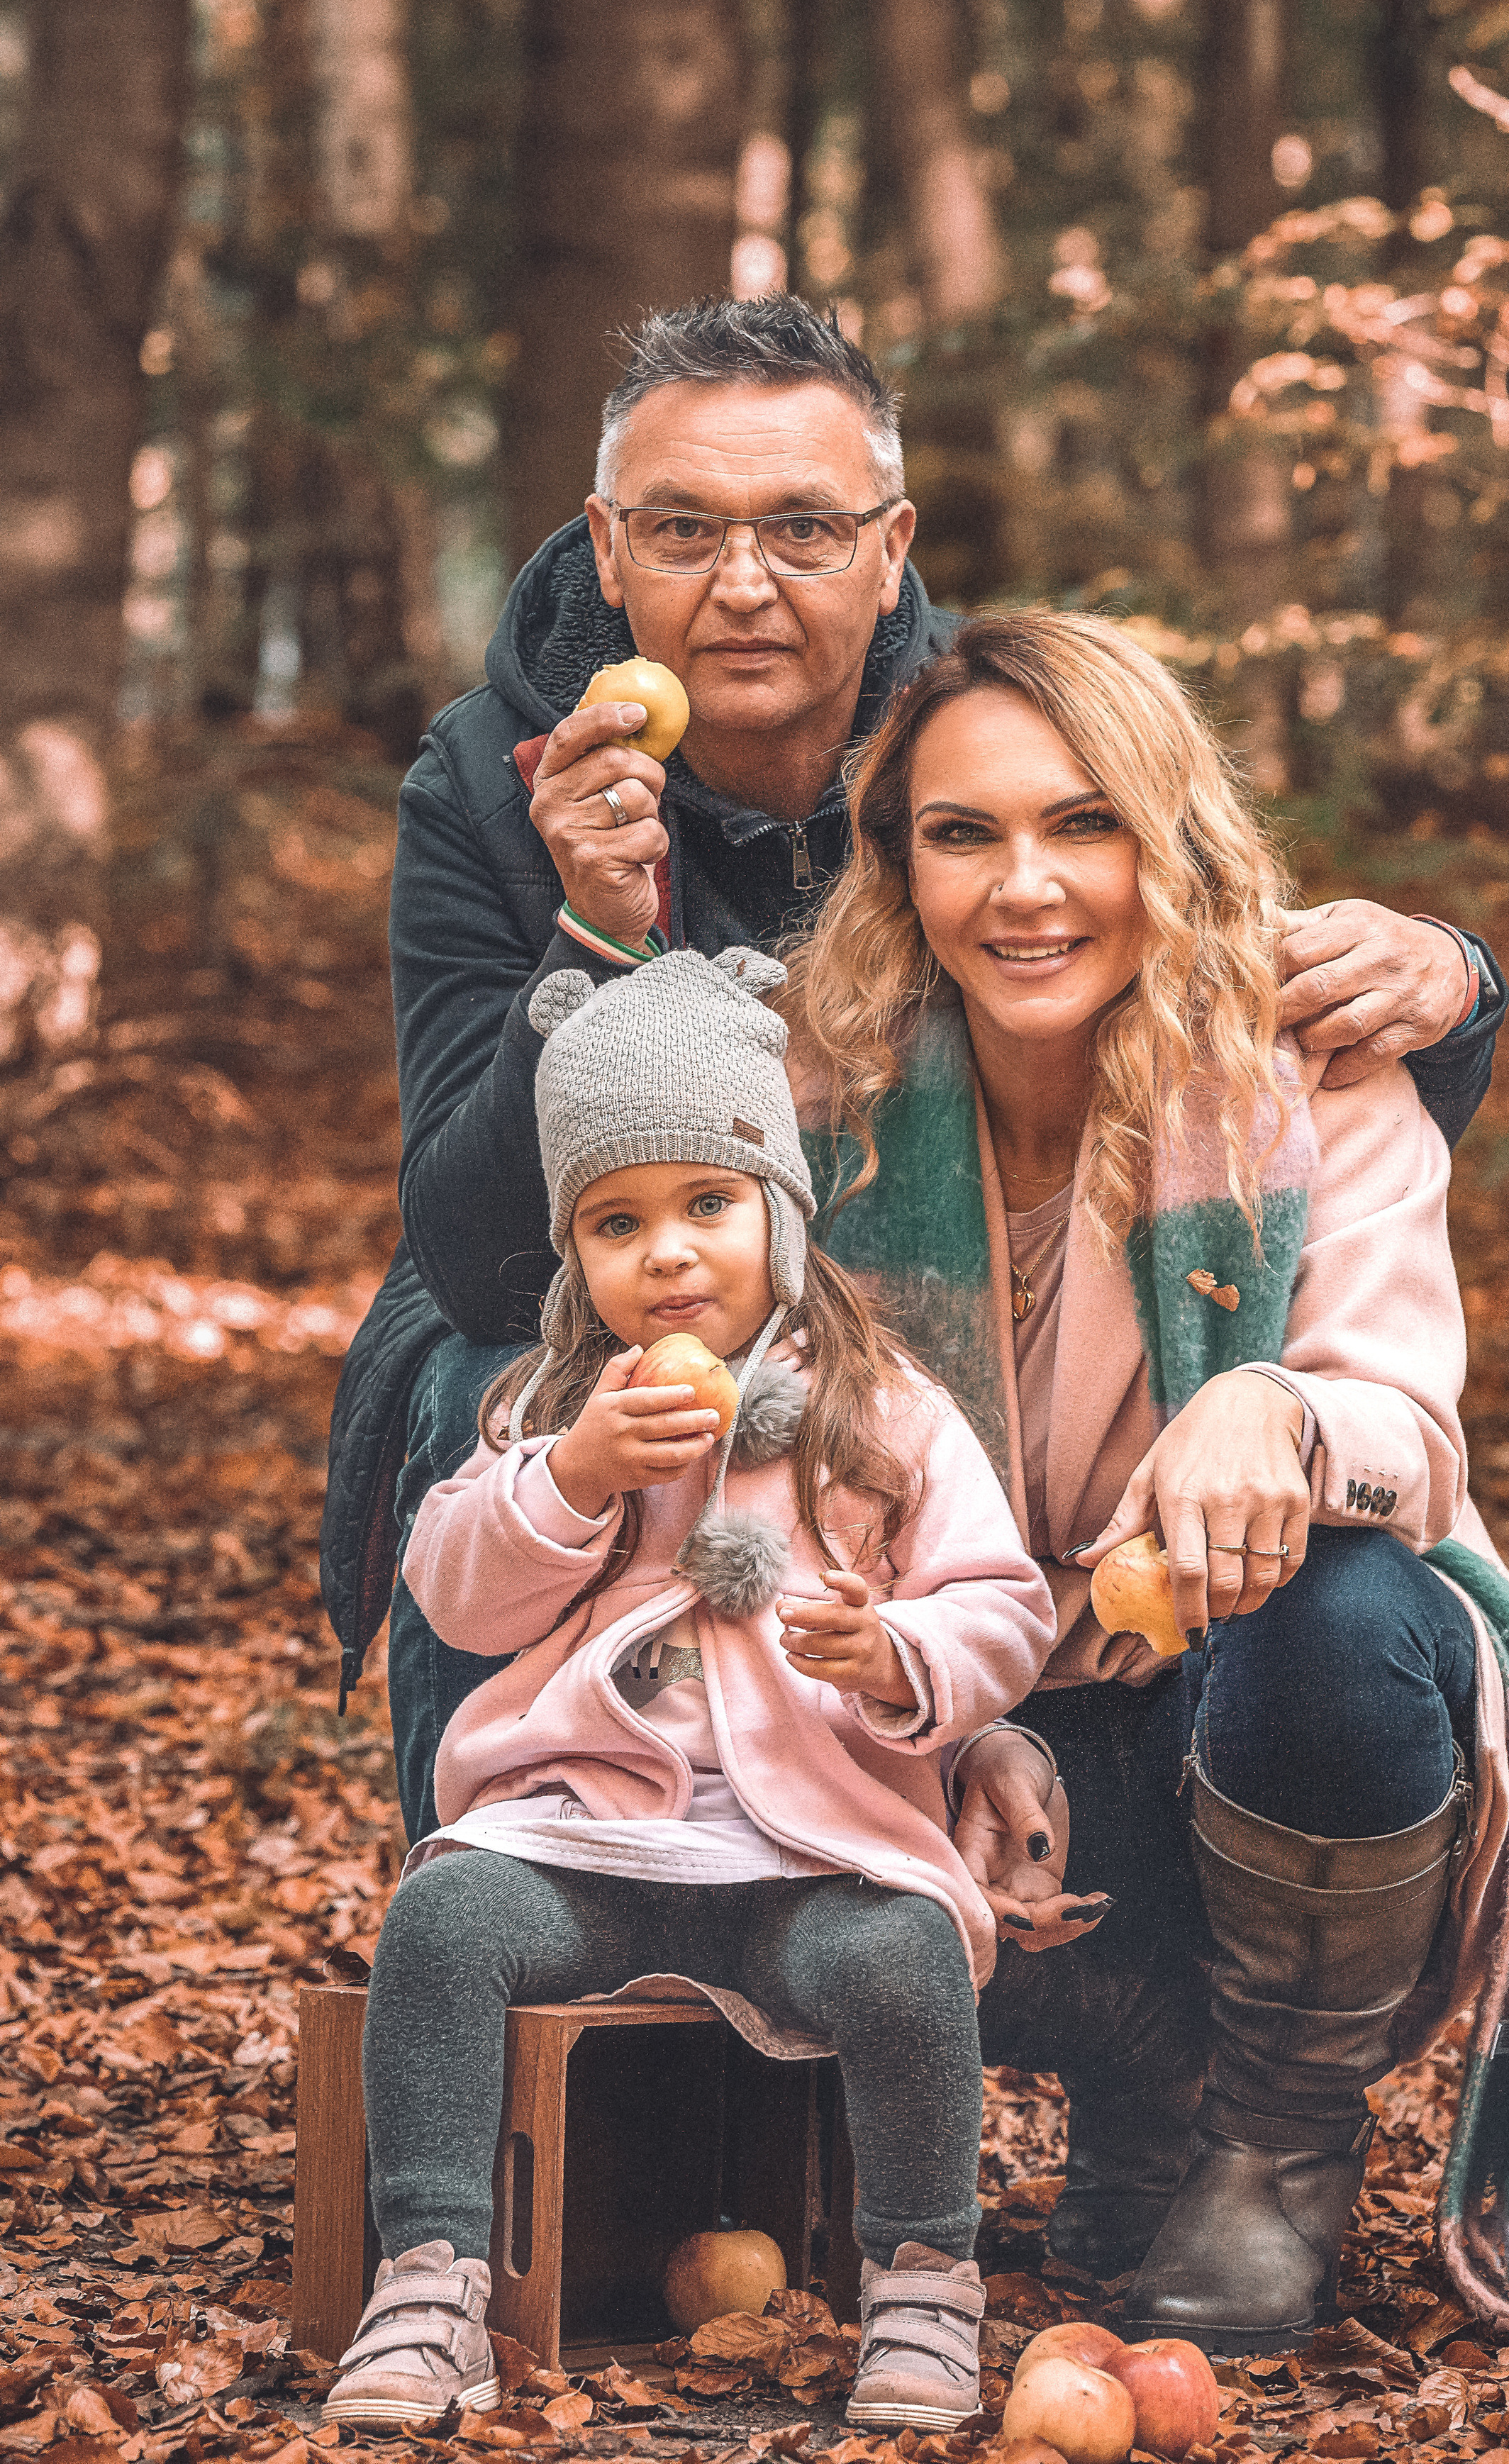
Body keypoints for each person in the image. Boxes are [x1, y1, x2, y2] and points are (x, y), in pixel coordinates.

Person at [321, 295, 1506, 1844]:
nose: (742, 584)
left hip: (929, 1288)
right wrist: (592, 948)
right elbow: (477, 1251)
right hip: (588, 1271)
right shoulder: (491, 775)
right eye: (683, 531)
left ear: (889, 548)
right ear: (607, 551)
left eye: (803, 529)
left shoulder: (992, 724)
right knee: (502, 1397)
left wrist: (1452, 988)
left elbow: (1229, 1048)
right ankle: (514, 1881)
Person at [783, 608, 1509, 2352]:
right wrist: (942, 1710)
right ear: (892, 864)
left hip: (1233, 1730)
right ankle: (1153, 2088)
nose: (1026, 888)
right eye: (962, 832)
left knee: (1360, 1602)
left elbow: (1413, 1426)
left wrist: (1278, 1410)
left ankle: (1275, 2144)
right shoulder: (814, 1105)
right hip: (968, 1747)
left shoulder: (1304, 1072)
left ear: (1173, 838)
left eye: (1087, 824)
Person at [324, 944, 1058, 2435]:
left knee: (907, 1954)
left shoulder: (881, 1409)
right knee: (443, 1915)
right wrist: (579, 1476)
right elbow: (453, 1590)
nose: (666, 1254)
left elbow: (1002, 1604)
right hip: (598, 1849)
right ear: (574, 1251)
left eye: (707, 1206)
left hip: (811, 1860)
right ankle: (429, 2271)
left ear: (779, 1216)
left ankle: (923, 2277)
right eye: (616, 1221)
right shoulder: (552, 1409)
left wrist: (898, 1654)